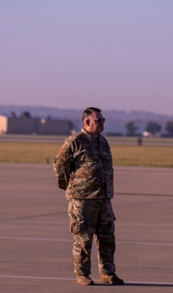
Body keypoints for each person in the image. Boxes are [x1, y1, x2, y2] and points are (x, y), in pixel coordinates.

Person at [53, 108, 124, 286]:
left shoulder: (103, 142)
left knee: (107, 238)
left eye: (103, 119)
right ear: (87, 122)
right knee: (83, 239)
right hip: (82, 200)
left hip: (103, 199)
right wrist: (69, 187)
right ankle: (82, 274)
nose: (102, 123)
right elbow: (60, 165)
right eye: (98, 120)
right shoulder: (75, 141)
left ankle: (108, 273)